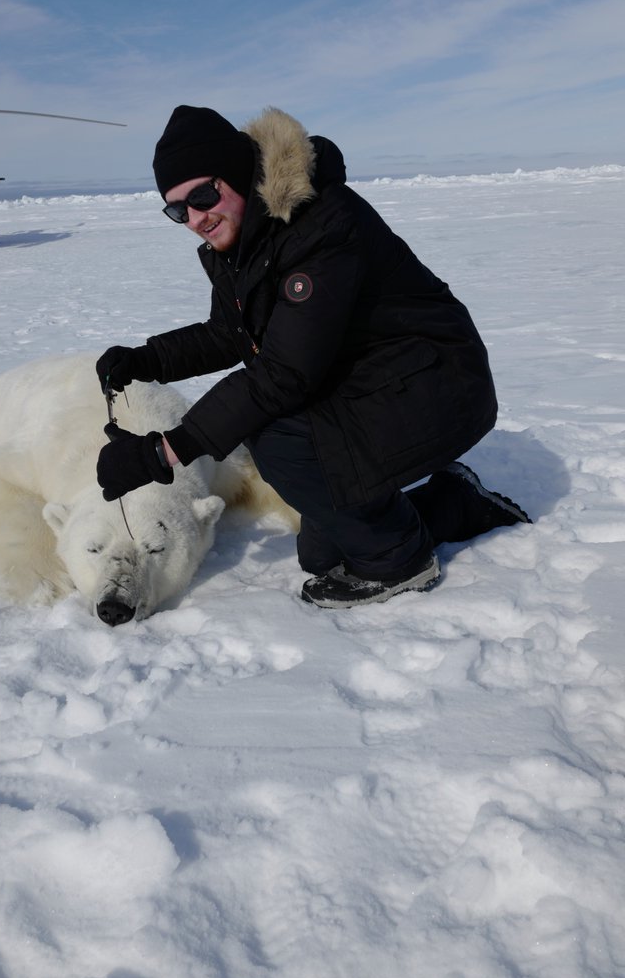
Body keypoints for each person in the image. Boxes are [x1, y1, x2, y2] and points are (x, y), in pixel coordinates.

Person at [96, 105, 531, 608]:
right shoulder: (240, 245)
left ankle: (401, 563)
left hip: (441, 383)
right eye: (178, 210)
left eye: (203, 195)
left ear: (236, 174)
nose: (195, 218)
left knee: (281, 441)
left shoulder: (322, 223)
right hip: (376, 382)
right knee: (323, 554)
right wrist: (144, 360)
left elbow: (284, 373)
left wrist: (162, 453)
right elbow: (227, 333)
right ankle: (452, 503)